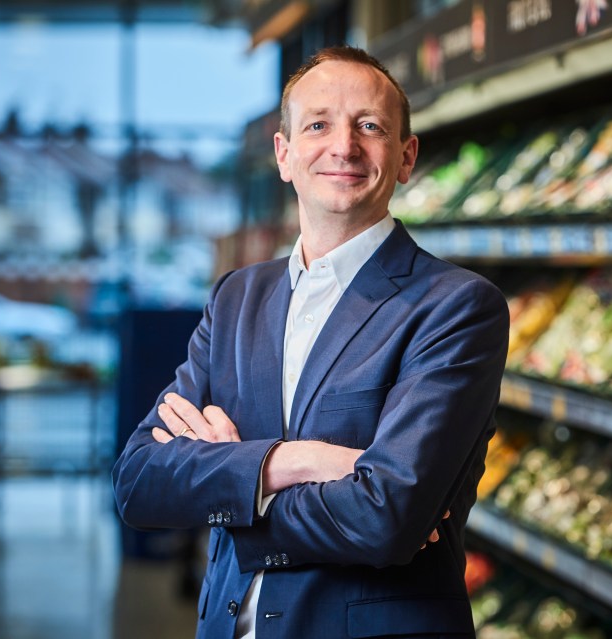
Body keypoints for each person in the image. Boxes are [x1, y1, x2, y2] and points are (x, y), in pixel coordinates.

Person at [112, 45, 509, 639]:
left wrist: (232, 479)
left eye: (369, 126)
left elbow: (387, 518)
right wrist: (295, 461)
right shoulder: (237, 298)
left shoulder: (456, 306)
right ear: (285, 154)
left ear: (406, 157)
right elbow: (141, 481)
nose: (343, 146)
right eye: (318, 125)